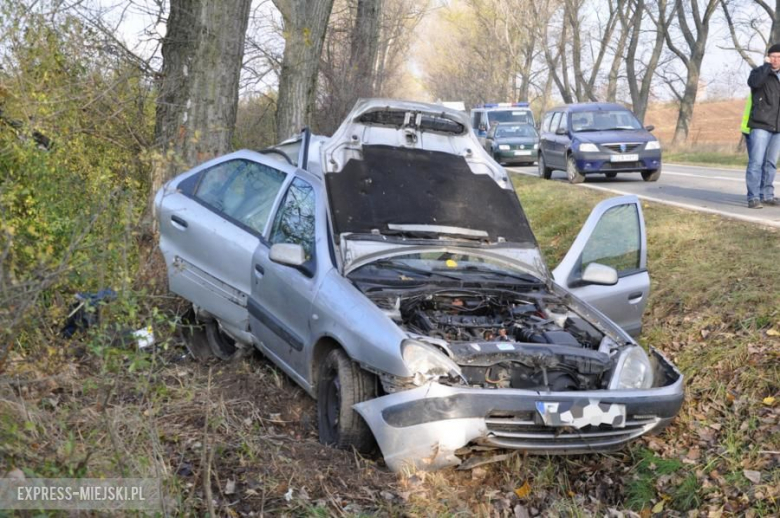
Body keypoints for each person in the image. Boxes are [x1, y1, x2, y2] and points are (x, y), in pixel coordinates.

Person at [745, 44, 780, 208]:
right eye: (773, 56)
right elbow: (755, 83)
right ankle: (753, 197)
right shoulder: (759, 72)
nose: (776, 60)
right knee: (756, 162)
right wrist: (766, 66)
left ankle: (767, 195)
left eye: (779, 57)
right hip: (760, 124)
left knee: (771, 163)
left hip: (778, 127)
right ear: (768, 57)